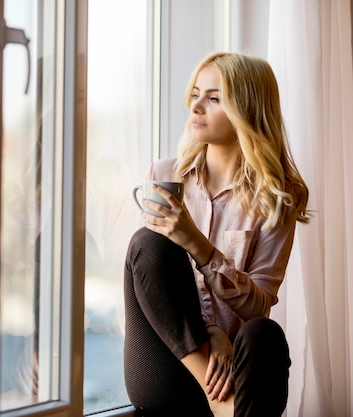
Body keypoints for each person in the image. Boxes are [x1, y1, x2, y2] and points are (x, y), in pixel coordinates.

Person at [123, 51, 310, 417]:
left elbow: (259, 304)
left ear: (248, 109)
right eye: (195, 94)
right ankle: (221, 405)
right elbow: (153, 277)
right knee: (149, 242)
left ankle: (228, 404)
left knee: (263, 335)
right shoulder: (165, 174)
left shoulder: (278, 196)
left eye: (213, 98)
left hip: (231, 370)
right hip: (169, 364)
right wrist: (210, 331)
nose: (196, 107)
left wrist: (197, 244)